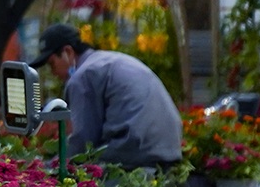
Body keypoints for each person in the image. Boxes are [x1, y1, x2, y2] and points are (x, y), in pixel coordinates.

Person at [33, 23, 182, 168]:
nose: (53, 73)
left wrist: (47, 168)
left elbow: (83, 143)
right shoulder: (107, 60)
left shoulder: (83, 76)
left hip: (134, 156)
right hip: (169, 151)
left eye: (52, 63)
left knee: (81, 175)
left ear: (68, 52)